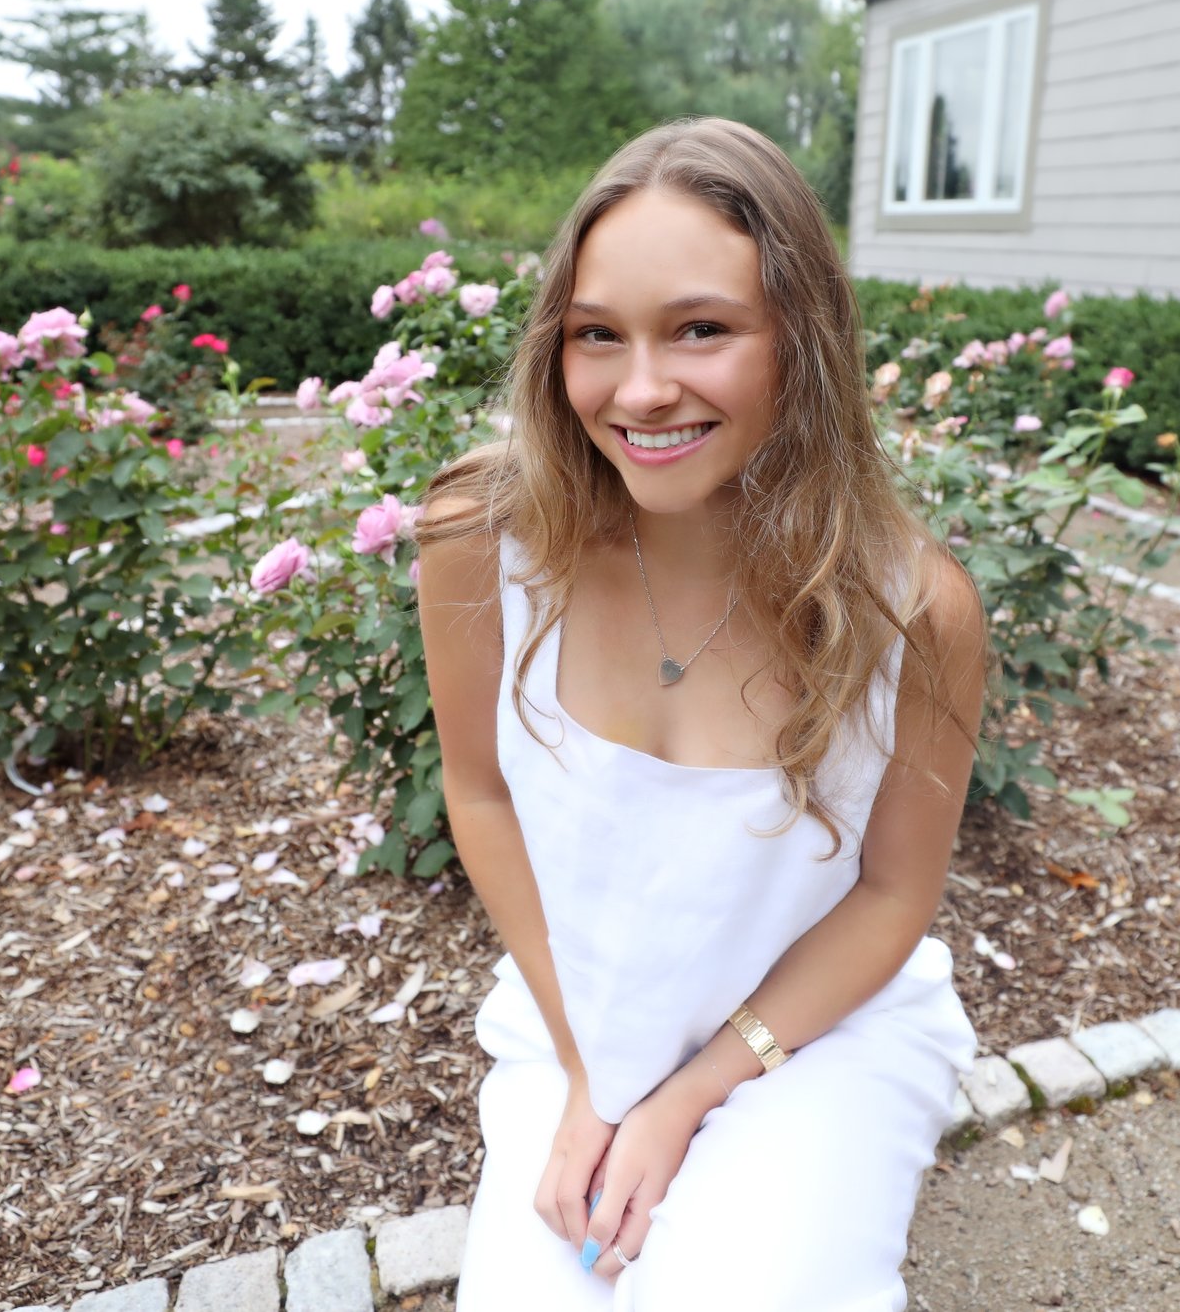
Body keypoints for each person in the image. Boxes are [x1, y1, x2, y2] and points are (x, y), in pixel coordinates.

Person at [414, 117, 989, 1309]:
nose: (639, 389)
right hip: (583, 1011)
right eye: (594, 336)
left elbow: (891, 892)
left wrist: (684, 1096)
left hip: (811, 1037)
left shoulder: (912, 611)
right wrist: (589, 1070)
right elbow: (478, 791)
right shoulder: (482, 538)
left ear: (801, 340)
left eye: (701, 329)